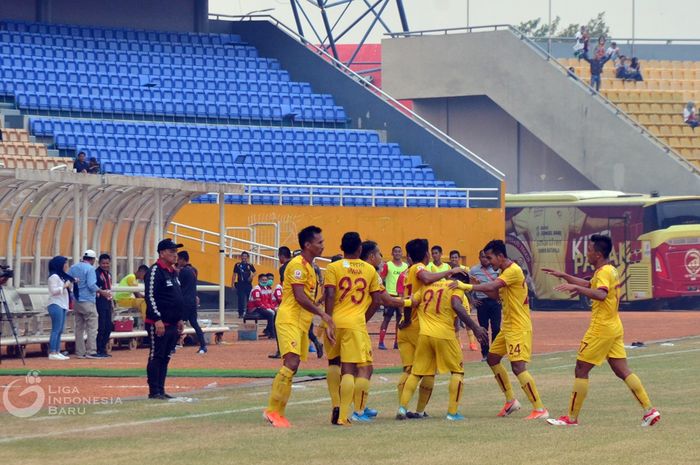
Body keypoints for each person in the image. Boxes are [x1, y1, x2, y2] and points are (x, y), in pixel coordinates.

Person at [543, 235, 661, 427]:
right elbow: (591, 285)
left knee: (581, 368)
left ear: (597, 254)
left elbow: (600, 293)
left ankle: (571, 418)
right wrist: (565, 276)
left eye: (589, 250)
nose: (586, 253)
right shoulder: (609, 269)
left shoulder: (604, 272)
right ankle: (649, 411)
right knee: (622, 370)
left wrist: (575, 288)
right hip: (614, 326)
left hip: (601, 328)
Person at [452, 239, 549, 420]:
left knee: (518, 366)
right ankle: (510, 400)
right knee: (492, 358)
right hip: (509, 327)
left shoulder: (513, 271)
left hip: (519, 327)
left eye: (490, 257)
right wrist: (476, 281)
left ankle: (540, 408)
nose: (488, 261)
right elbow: (496, 293)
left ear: (500, 256)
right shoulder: (505, 272)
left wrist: (467, 286)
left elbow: (493, 286)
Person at [263, 226, 335, 428]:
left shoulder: (311, 267)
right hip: (289, 319)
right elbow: (300, 296)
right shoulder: (296, 265)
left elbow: (309, 297)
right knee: (291, 363)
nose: (323, 245)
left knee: (292, 367)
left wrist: (320, 310)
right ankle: (272, 410)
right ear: (307, 245)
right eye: (319, 242)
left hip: (301, 322)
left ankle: (278, 412)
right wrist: (322, 314)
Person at [397, 274, 488, 421]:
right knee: (457, 372)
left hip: (424, 335)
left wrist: (407, 319)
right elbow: (456, 306)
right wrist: (475, 327)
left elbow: (409, 302)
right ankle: (452, 413)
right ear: (462, 282)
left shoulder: (427, 285)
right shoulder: (456, 288)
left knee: (416, 373)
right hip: (445, 335)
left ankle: (402, 408)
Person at [397, 239, 463, 419]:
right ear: (426, 254)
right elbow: (426, 278)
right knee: (426, 370)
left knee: (411, 370)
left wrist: (406, 316)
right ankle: (419, 410)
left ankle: (402, 407)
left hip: (407, 323)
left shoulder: (405, 272)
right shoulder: (419, 269)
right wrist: (449, 271)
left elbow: (410, 298)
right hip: (422, 325)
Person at [323, 232, 383, 426]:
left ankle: (335, 403)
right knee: (349, 369)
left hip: (335, 321)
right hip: (354, 323)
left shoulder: (332, 267)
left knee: (333, 362)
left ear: (341, 248)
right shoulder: (369, 269)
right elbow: (377, 300)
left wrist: (328, 319)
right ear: (359, 249)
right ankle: (343, 416)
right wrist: (363, 318)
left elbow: (330, 294)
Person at [145, 238, 185, 400]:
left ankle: (161, 389)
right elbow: (150, 296)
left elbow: (176, 297)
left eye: (175, 252)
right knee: (157, 355)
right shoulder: (155, 271)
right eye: (171, 251)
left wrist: (180, 319)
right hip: (160, 323)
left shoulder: (172, 272)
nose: (175, 255)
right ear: (162, 253)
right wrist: (157, 319)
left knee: (166, 356)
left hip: (173, 323)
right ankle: (154, 391)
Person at [470, 249, 502, 362]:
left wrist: (500, 298)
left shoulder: (496, 269)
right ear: (479, 258)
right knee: (482, 329)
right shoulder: (473, 270)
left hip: (495, 302)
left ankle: (494, 352)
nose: (485, 259)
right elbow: (468, 286)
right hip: (482, 302)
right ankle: (485, 353)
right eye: (483, 257)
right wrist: (472, 300)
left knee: (496, 328)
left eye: (487, 257)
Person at [69, 249, 100, 359]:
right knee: (92, 327)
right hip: (88, 300)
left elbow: (69, 281)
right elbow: (91, 285)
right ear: (92, 260)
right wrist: (101, 291)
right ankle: (91, 351)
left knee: (79, 327)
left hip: (76, 301)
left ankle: (80, 352)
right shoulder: (90, 269)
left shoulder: (73, 267)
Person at [378, 245, 408, 350]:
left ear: (402, 253)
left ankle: (397, 342)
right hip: (389, 296)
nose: (397, 253)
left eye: (399, 251)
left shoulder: (405, 266)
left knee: (399, 320)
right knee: (386, 318)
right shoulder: (388, 265)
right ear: (392, 253)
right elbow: (381, 278)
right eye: (395, 251)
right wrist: (383, 292)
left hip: (401, 297)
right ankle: (381, 342)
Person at [448, 250, 479, 352]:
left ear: (459, 258)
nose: (454, 259)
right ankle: (458, 344)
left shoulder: (465, 270)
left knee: (467, 320)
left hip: (463, 297)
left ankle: (472, 343)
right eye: (452, 258)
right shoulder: (447, 270)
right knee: (455, 322)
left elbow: (469, 284)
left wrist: (471, 300)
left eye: (455, 257)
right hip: (451, 297)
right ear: (450, 259)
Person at [177, 251, 206, 354]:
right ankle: (203, 346)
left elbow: (178, 285)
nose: (177, 261)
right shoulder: (194, 270)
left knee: (176, 322)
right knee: (194, 323)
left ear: (183, 259)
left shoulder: (183, 271)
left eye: (178, 259)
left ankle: (173, 346)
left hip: (185, 301)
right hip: (192, 300)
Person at [47, 256, 74, 360]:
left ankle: (57, 350)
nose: (66, 266)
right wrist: (64, 286)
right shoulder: (53, 276)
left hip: (62, 304)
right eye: (65, 263)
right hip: (55, 304)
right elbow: (53, 291)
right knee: (56, 329)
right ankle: (52, 351)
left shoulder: (60, 276)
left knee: (60, 329)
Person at [95, 253, 114, 358]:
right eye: (103, 263)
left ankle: (103, 348)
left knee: (108, 326)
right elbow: (95, 288)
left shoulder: (109, 274)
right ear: (99, 263)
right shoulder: (96, 273)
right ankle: (99, 349)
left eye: (107, 263)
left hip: (107, 302)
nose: (105, 265)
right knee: (101, 327)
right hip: (100, 302)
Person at [247, 274, 276, 339]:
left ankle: (268, 331)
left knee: (275, 313)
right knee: (270, 314)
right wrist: (267, 308)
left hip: (262, 307)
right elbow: (258, 303)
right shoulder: (256, 289)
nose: (264, 281)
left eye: (266, 280)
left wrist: (272, 308)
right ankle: (272, 334)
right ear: (259, 280)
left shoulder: (267, 288)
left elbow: (269, 301)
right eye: (263, 280)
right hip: (254, 308)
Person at [232, 252, 256, 318]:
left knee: (249, 299)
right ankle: (241, 314)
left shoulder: (250, 265)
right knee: (240, 299)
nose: (244, 257)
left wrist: (251, 276)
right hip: (240, 284)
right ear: (241, 257)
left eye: (245, 256)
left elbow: (255, 272)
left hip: (248, 284)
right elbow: (234, 274)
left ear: (247, 257)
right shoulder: (237, 265)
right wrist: (232, 284)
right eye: (243, 256)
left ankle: (249, 313)